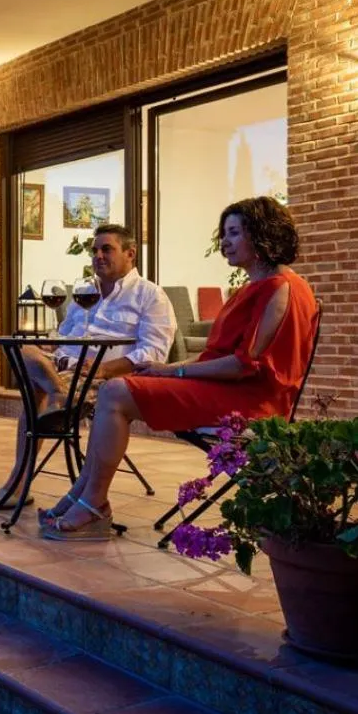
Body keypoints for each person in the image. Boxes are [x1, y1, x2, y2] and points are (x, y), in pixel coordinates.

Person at [41, 196, 318, 541]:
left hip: (249, 401)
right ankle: (83, 495)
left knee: (114, 390)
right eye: (224, 234)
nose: (224, 242)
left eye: (233, 233)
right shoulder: (254, 286)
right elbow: (213, 356)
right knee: (126, 383)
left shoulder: (282, 288)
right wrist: (164, 367)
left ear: (261, 234)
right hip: (223, 389)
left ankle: (94, 502)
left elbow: (244, 366)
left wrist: (174, 373)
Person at [0, 223, 176, 510]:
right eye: (94, 250)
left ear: (130, 254)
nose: (98, 255)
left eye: (106, 249)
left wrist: (103, 370)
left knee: (34, 395)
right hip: (63, 369)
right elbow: (65, 335)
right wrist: (51, 346)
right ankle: (58, 390)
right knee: (22, 347)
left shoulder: (150, 296)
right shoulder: (86, 292)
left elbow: (154, 352)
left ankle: (19, 480)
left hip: (104, 378)